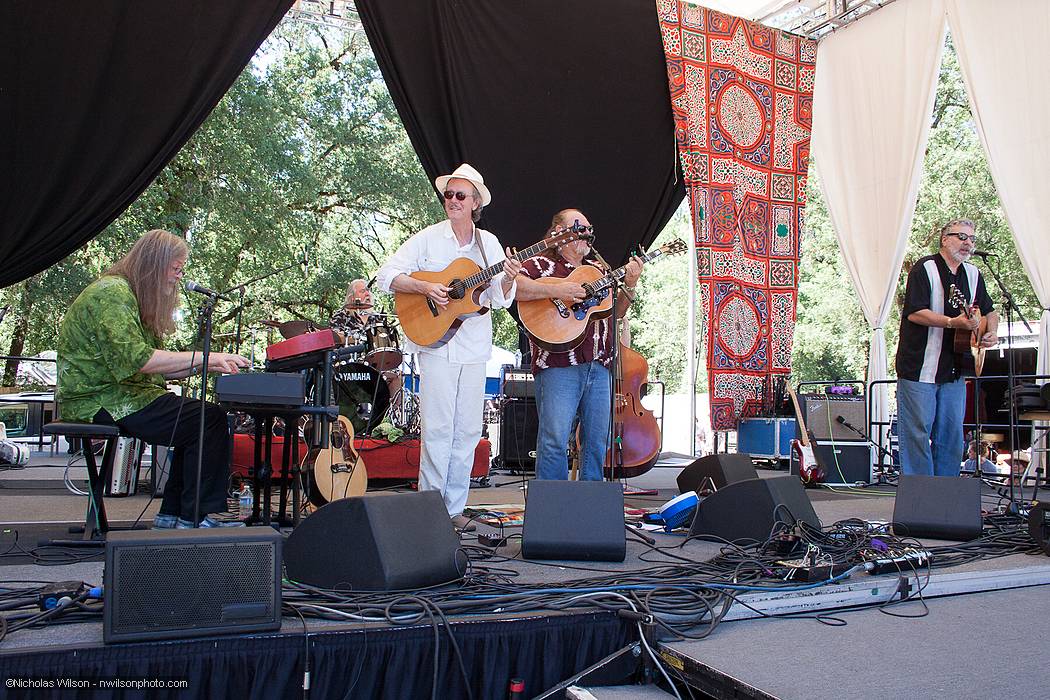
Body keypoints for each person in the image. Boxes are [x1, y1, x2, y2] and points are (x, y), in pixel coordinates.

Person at [56, 229, 250, 528]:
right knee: (207, 420)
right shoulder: (112, 293)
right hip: (101, 399)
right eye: (175, 269)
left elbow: (156, 367)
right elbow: (139, 359)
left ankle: (173, 515)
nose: (178, 277)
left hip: (122, 394)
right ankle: (197, 516)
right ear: (154, 264)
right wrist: (205, 358)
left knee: (199, 418)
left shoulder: (129, 297)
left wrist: (211, 364)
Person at [375, 164, 520, 531]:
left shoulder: (489, 245)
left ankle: (453, 509)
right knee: (439, 428)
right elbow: (385, 275)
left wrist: (510, 280)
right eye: (449, 195)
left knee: (468, 430)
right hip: (436, 346)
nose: (452, 201)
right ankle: (430, 509)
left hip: (473, 347)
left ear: (475, 203)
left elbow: (498, 299)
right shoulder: (427, 238)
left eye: (460, 195)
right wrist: (425, 288)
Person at [515, 209, 643, 481]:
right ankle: (552, 510)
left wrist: (630, 285)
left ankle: (591, 507)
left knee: (597, 442)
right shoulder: (540, 265)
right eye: (578, 228)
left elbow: (615, 312)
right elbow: (515, 288)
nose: (586, 234)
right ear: (557, 233)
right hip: (558, 364)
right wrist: (559, 290)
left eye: (588, 228)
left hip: (600, 366)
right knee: (554, 441)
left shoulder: (599, 270)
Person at [895, 219, 998, 477]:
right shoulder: (925, 269)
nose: (968, 243)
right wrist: (953, 322)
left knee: (952, 436)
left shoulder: (973, 274)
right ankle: (920, 497)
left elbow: (990, 311)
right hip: (921, 367)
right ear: (944, 239)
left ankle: (945, 497)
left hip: (956, 368)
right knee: (918, 433)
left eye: (972, 239)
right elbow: (915, 313)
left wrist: (990, 332)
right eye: (962, 237)